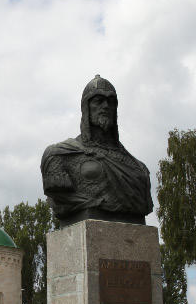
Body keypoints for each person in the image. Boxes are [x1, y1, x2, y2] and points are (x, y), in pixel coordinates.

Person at [40, 75, 153, 226]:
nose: (106, 106)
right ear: (86, 108)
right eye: (98, 101)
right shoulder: (59, 155)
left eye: (111, 102)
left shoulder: (139, 169)